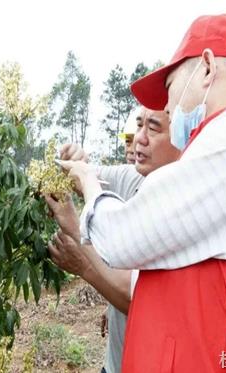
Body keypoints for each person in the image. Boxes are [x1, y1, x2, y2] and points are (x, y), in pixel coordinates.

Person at [57, 14, 226, 372]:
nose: (170, 106)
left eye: (171, 86)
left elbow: (122, 238)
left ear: (206, 67)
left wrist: (87, 183)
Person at [46, 106, 180, 373]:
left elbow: (136, 298)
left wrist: (78, 238)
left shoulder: (181, 209)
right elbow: (84, 176)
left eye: (153, 128)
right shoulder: (136, 177)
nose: (139, 139)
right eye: (138, 126)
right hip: (116, 363)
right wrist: (75, 161)